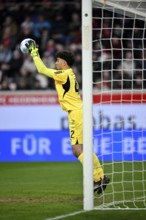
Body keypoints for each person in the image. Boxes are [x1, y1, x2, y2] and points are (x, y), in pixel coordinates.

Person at [25, 39, 110, 194]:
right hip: (79, 111)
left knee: (77, 150)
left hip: (76, 114)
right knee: (82, 149)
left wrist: (34, 52)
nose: (56, 63)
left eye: (57, 61)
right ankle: (100, 176)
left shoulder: (64, 74)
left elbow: (42, 70)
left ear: (64, 63)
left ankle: (98, 178)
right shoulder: (69, 74)